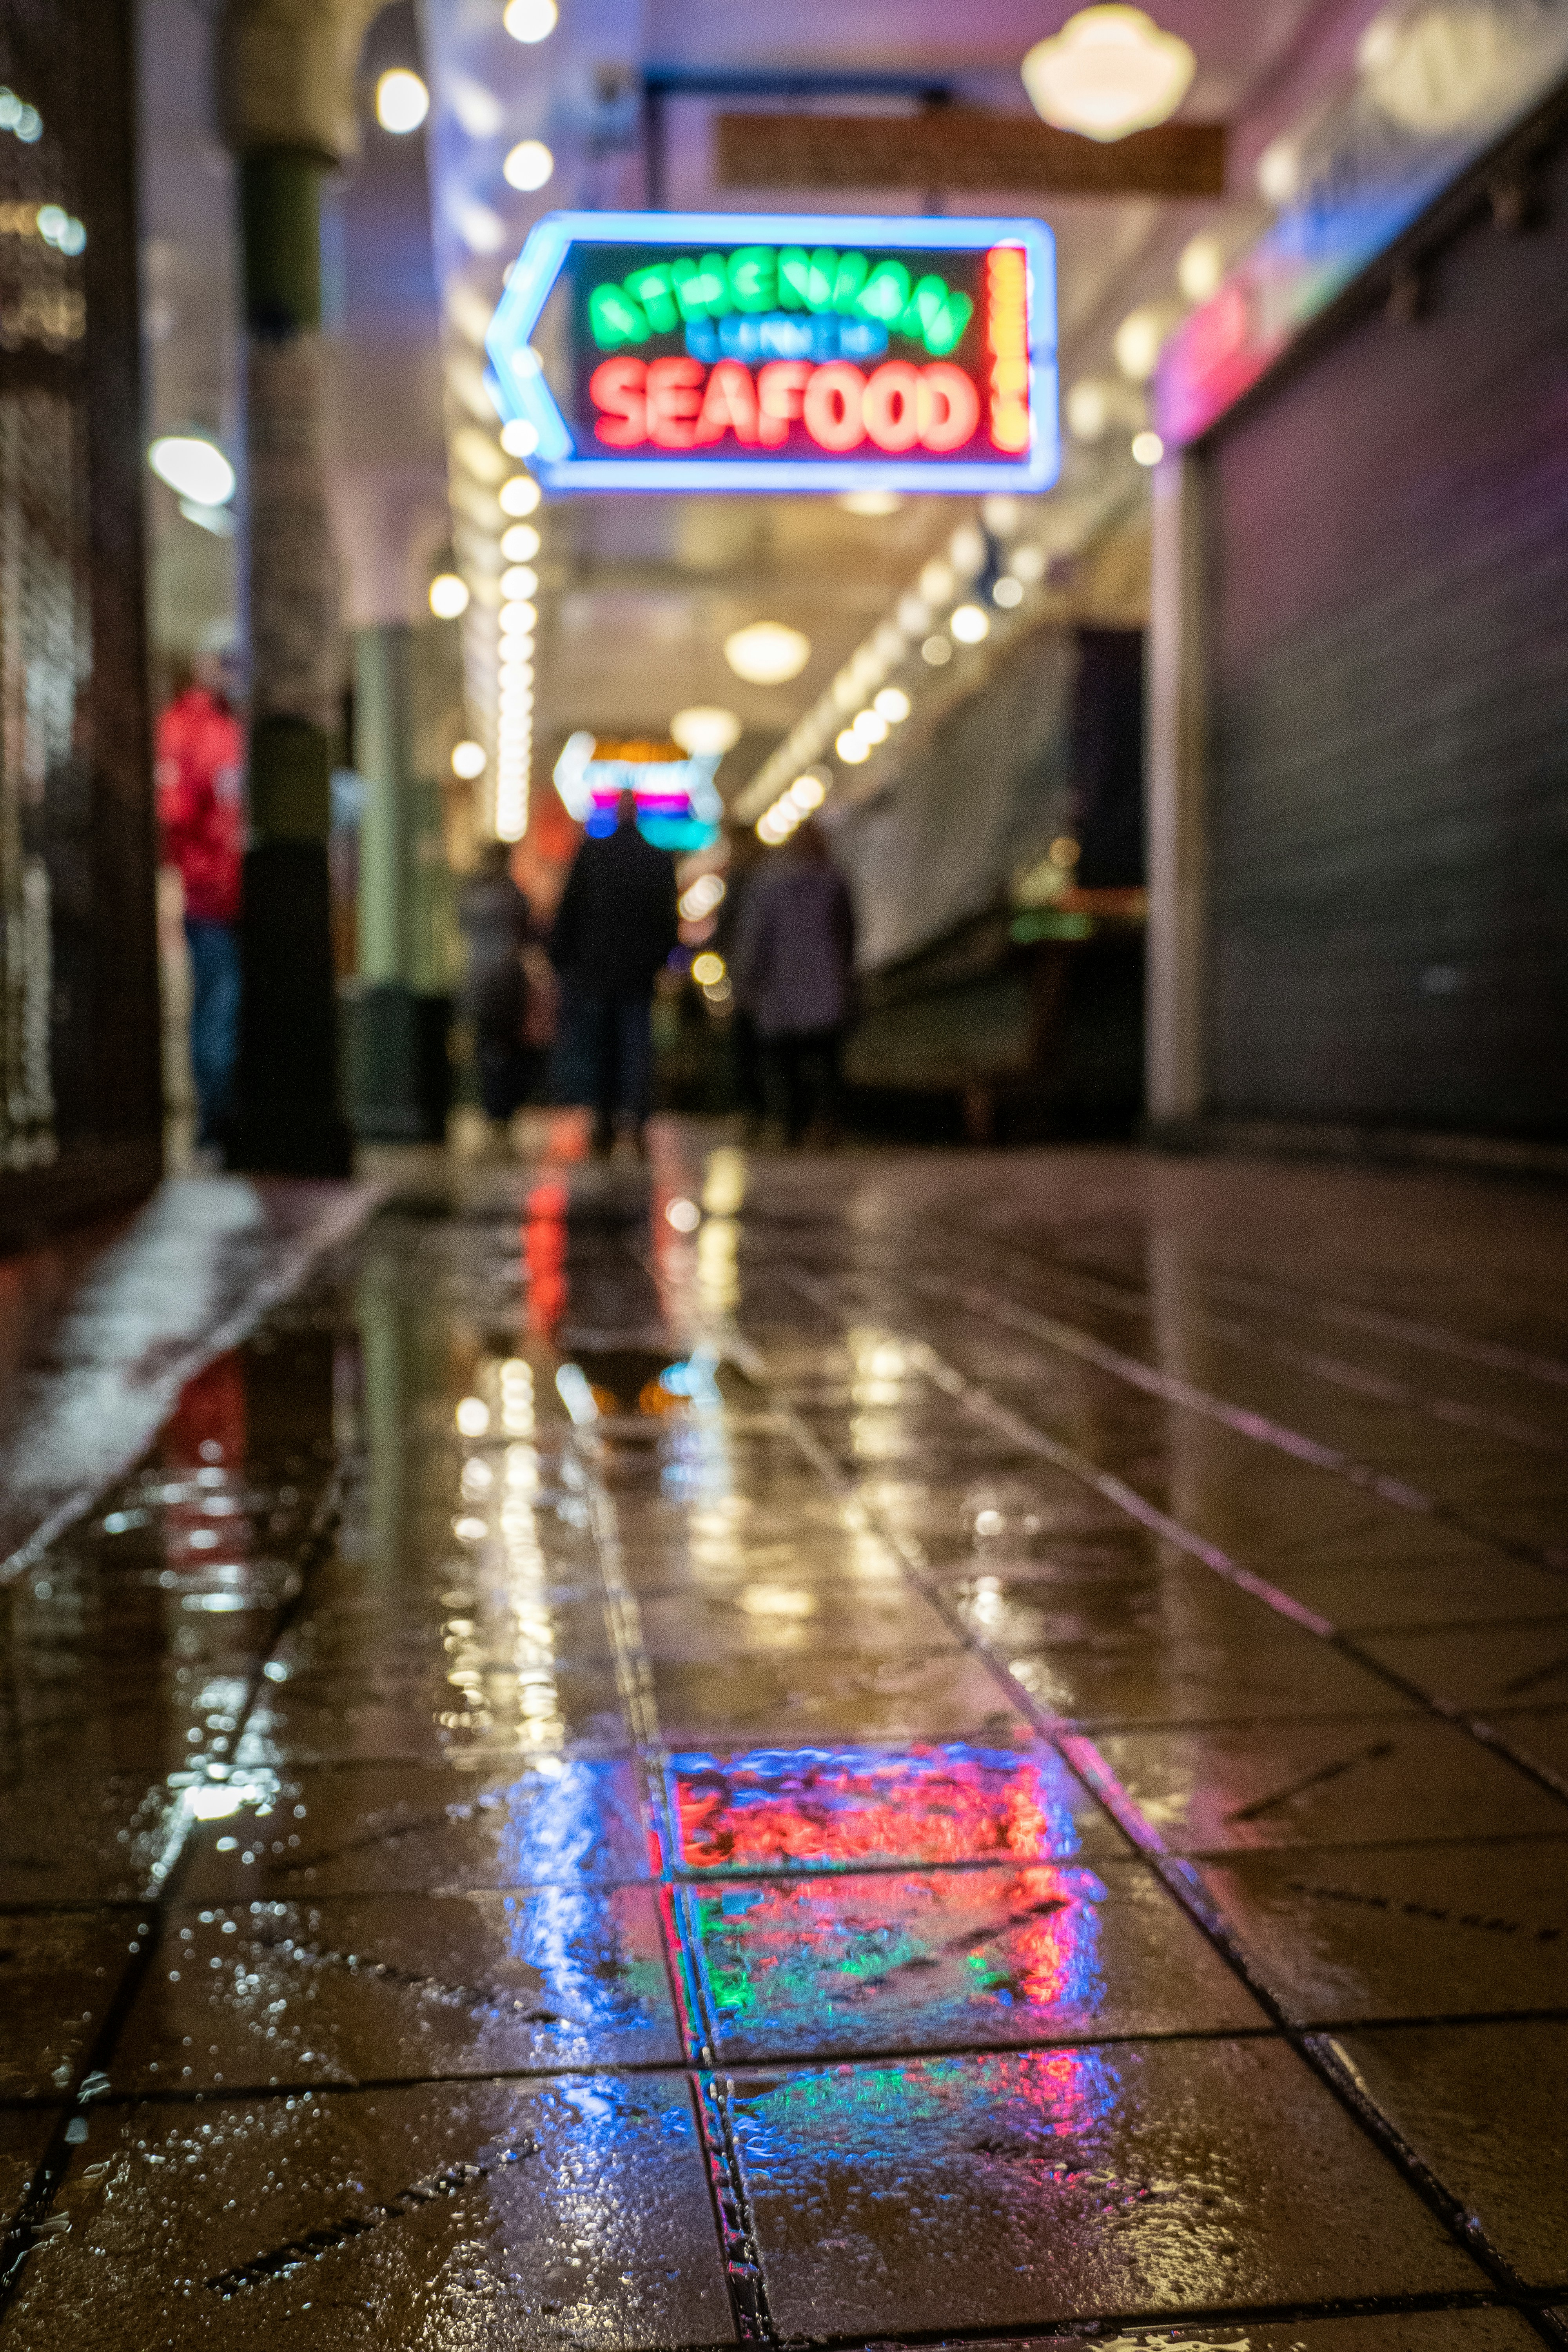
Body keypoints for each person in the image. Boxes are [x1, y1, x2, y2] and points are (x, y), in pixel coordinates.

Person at [550, 788, 678, 1156]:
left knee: (602, 1046)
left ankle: (604, 1123)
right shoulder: (656, 859)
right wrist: (661, 959)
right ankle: (636, 1121)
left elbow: (569, 912)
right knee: (636, 1045)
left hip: (596, 971)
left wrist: (564, 959)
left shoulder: (593, 855)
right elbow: (667, 919)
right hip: (638, 973)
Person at [156, 662, 244, 1150]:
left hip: (238, 897)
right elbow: (177, 813)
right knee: (217, 1008)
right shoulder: (188, 727)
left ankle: (224, 1121)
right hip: (209, 898)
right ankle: (215, 1123)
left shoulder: (234, 725)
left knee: (225, 1009)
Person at [733, 819, 855, 1146]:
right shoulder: (834, 881)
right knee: (826, 1064)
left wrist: (748, 983)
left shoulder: (769, 884)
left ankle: (793, 1127)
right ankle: (828, 1123)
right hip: (825, 986)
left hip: (782, 990)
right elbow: (848, 932)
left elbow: (756, 938)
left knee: (787, 1066)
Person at [457, 840, 548, 1129]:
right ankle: (503, 1106)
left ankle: (491, 1105)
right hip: (507, 979)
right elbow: (528, 933)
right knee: (508, 1046)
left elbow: (462, 927)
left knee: (486, 1045)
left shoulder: (470, 894)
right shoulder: (513, 896)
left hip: (478, 979)